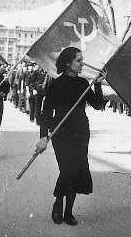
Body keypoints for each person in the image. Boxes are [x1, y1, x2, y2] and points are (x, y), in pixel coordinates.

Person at [35, 47, 106, 226]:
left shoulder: (83, 83)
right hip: (61, 133)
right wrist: (43, 137)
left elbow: (97, 105)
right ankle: (58, 204)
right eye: (78, 60)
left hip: (81, 132)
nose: (82, 63)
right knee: (68, 169)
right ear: (68, 62)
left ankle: (68, 212)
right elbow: (46, 112)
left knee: (76, 171)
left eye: (82, 60)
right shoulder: (56, 85)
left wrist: (97, 84)